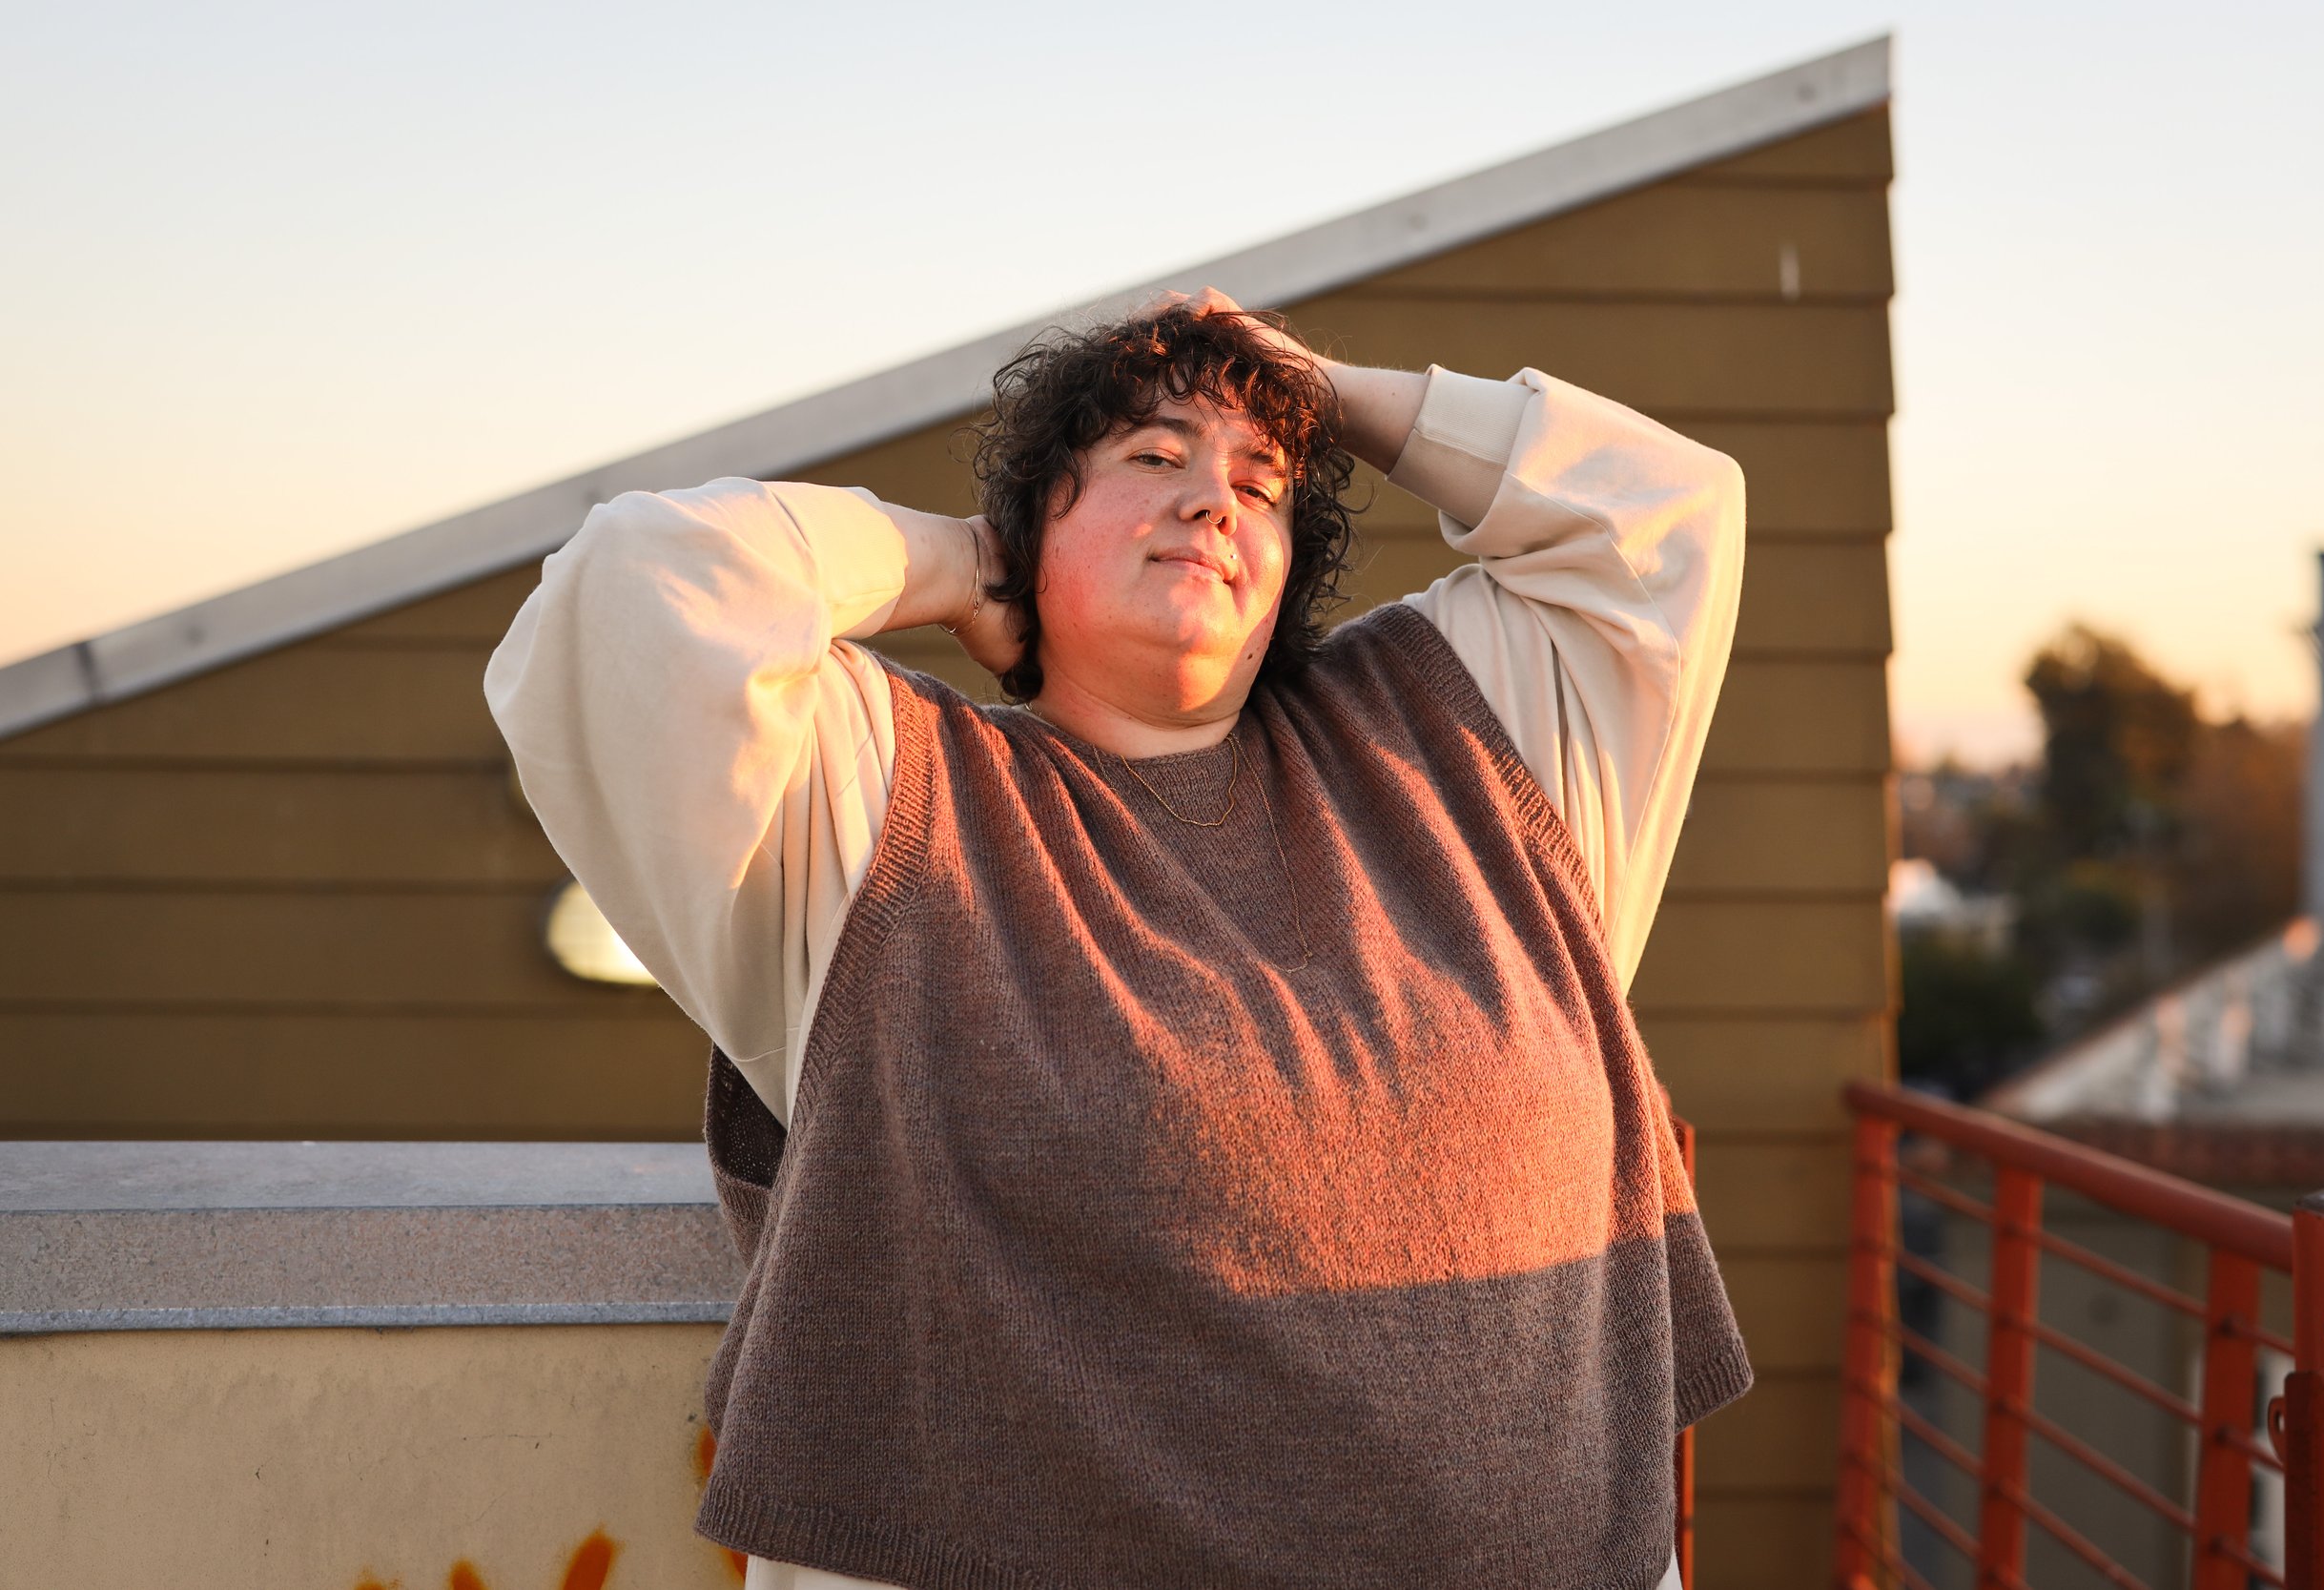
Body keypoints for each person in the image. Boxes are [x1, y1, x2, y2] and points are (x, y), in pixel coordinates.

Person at [486, 289, 1750, 1590]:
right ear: (1034, 528)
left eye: (1259, 485)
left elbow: (1666, 515)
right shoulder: (886, 796)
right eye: (1153, 457)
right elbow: (628, 594)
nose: (1211, 502)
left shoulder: (1451, 737)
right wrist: (955, 563)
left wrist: (1315, 386)